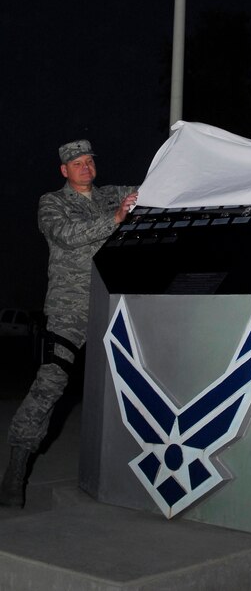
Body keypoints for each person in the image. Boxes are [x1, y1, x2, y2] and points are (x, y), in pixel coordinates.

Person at [0, 139, 138, 507]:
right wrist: (114, 219)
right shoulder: (52, 203)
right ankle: (15, 471)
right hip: (70, 310)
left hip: (113, 303)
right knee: (50, 384)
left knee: (132, 383)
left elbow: (153, 190)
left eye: (89, 160)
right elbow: (67, 235)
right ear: (64, 170)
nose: (85, 166)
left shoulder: (113, 194)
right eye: (77, 163)